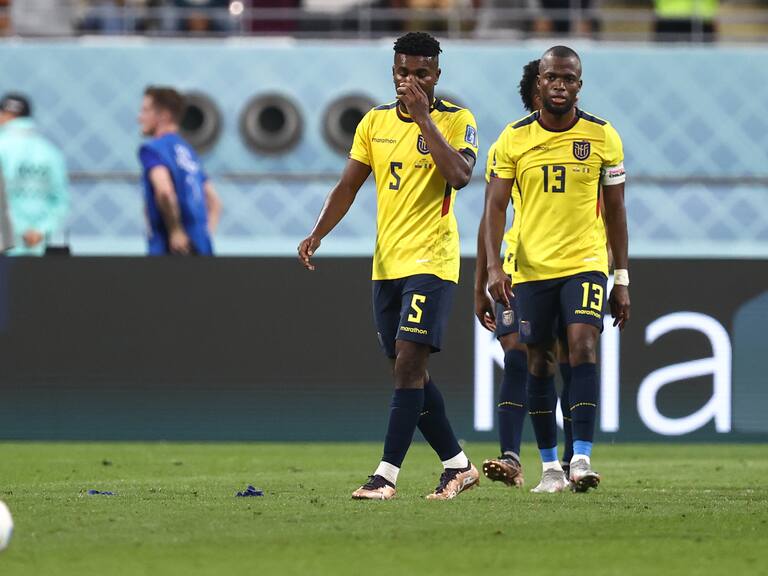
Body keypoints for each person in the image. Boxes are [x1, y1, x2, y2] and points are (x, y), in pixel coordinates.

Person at [298, 32, 480, 501]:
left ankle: (385, 476)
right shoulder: (372, 123)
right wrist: (318, 232)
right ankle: (458, 466)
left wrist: (423, 120)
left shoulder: (458, 121)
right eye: (403, 72)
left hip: (433, 261)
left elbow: (459, 176)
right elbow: (347, 187)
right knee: (409, 372)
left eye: (421, 73)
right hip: (386, 265)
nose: (411, 80)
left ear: (436, 75)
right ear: (393, 72)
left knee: (408, 365)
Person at [483, 45, 630, 493]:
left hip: (585, 262)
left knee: (583, 347)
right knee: (540, 363)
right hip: (530, 269)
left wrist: (620, 277)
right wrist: (493, 267)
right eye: (552, 78)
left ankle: (580, 458)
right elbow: (494, 206)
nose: (560, 86)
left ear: (579, 86)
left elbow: (617, 211)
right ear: (539, 83)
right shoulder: (513, 137)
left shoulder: (603, 136)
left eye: (569, 79)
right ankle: (550, 468)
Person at [137, 86, 221, 256]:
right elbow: (215, 202)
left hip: (170, 251)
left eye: (146, 110)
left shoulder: (153, 150)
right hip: (202, 248)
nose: (139, 117)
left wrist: (175, 231)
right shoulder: (188, 153)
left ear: (164, 115)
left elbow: (165, 191)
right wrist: (204, 235)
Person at [0, 93, 69, 256]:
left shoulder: (2, 146)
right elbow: (61, 201)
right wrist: (41, 229)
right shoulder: (51, 152)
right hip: (39, 246)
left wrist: (18, 230)